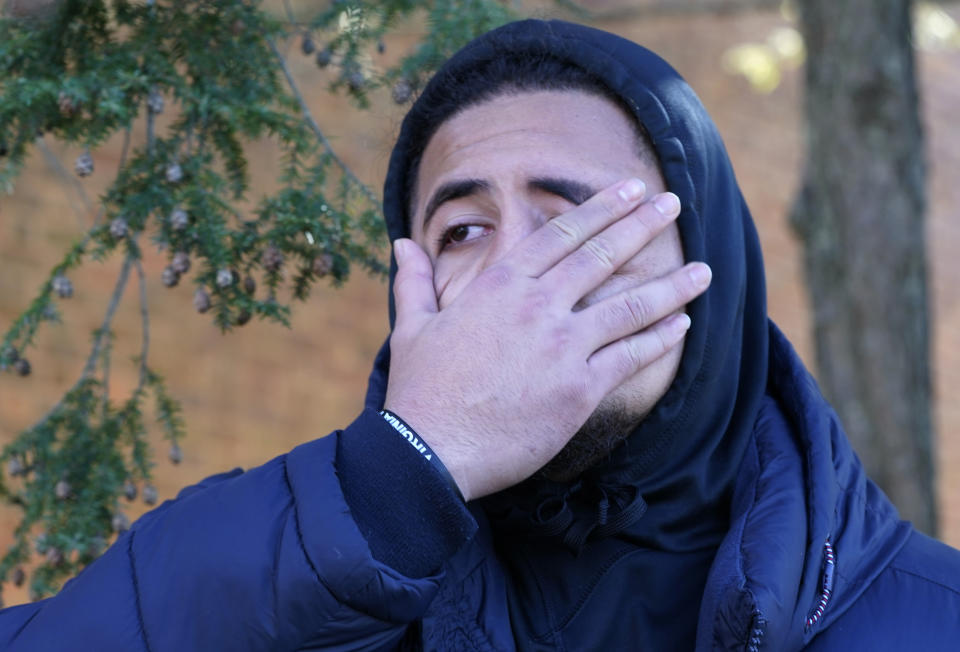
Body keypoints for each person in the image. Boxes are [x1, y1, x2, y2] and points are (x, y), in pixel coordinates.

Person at [1, 19, 959, 651]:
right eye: (461, 231)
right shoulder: (306, 590)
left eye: (576, 219)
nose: (515, 273)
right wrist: (400, 478)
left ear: (706, 262)